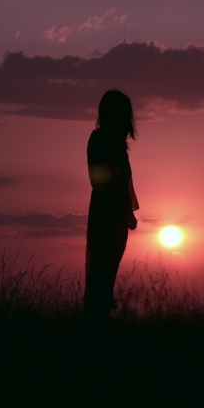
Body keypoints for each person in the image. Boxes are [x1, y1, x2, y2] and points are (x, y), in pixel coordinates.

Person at [84, 89, 139, 320]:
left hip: (103, 209)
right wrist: (127, 211)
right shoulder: (109, 140)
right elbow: (115, 180)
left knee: (101, 265)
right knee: (104, 266)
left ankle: (97, 315)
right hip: (111, 211)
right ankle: (98, 319)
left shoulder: (99, 138)